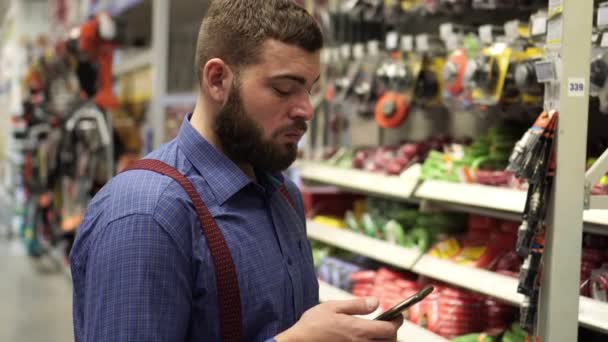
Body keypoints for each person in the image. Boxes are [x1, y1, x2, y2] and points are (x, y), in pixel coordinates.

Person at [70, 0, 403, 341]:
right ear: (218, 80)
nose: (306, 109)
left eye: (310, 89)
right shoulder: (146, 216)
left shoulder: (282, 196)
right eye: (283, 89)